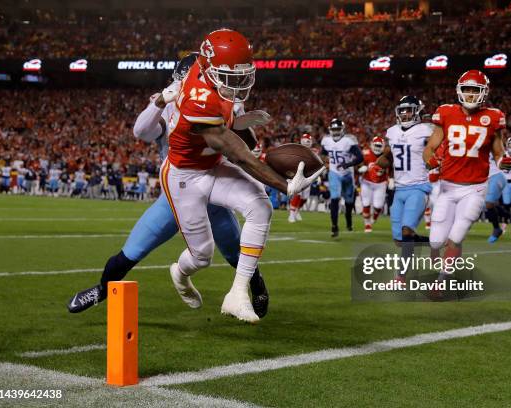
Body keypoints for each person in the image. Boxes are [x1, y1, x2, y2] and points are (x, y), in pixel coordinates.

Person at [67, 50, 277, 320]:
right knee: (131, 252)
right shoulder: (169, 106)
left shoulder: (219, 102)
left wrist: (244, 124)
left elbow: (243, 140)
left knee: (237, 251)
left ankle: (255, 286)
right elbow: (141, 131)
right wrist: (158, 103)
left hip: (211, 186)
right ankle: (101, 290)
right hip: (176, 191)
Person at [160, 29, 322, 323]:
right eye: (229, 75)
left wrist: (242, 120)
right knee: (202, 256)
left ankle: (237, 293)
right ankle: (180, 275)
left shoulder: (210, 72)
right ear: (209, 68)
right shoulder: (199, 97)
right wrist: (284, 184)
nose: (237, 82)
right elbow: (238, 153)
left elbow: (229, 126)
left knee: (260, 206)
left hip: (210, 165)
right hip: (184, 176)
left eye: (242, 74)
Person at [422, 70, 511, 281]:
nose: (471, 95)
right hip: (447, 186)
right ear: (459, 91)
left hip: (475, 188)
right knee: (436, 241)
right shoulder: (445, 113)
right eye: (467, 90)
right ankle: (445, 267)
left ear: (484, 92)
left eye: (475, 90)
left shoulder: (494, 117)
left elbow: (498, 151)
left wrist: (503, 161)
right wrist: (430, 162)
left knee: (458, 232)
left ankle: (442, 280)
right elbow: (430, 148)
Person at [378, 95, 433, 264]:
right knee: (399, 240)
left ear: (417, 111)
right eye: (402, 111)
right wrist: (379, 163)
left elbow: (439, 150)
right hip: (399, 189)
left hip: (419, 187)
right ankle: (433, 243)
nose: (405, 114)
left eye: (409, 110)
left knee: (406, 230)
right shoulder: (393, 132)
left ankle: (401, 276)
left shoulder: (427, 130)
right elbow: (387, 156)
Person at [320, 118, 363, 237]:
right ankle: (334, 226)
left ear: (342, 129)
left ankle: (349, 222)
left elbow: (360, 157)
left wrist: (347, 164)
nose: (336, 131)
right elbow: (323, 153)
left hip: (348, 174)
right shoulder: (326, 140)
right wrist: (324, 161)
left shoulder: (349, 140)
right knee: (335, 198)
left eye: (338, 129)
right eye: (334, 129)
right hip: (334, 173)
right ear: (330, 130)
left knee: (349, 202)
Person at [359, 136, 389, 232]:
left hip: (381, 183)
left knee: (378, 205)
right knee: (366, 203)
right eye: (376, 145)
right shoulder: (366, 153)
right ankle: (367, 224)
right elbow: (358, 163)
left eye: (379, 146)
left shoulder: (387, 155)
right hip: (367, 182)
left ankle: (374, 218)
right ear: (372, 145)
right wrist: (361, 167)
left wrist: (391, 178)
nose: (377, 148)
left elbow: (392, 168)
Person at [288, 133, 315, 223]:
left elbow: (316, 165)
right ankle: (291, 214)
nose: (307, 142)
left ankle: (297, 211)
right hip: (297, 175)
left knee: (305, 198)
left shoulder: (314, 152)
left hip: (308, 175)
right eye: (305, 140)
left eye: (308, 141)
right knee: (297, 194)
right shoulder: (297, 150)